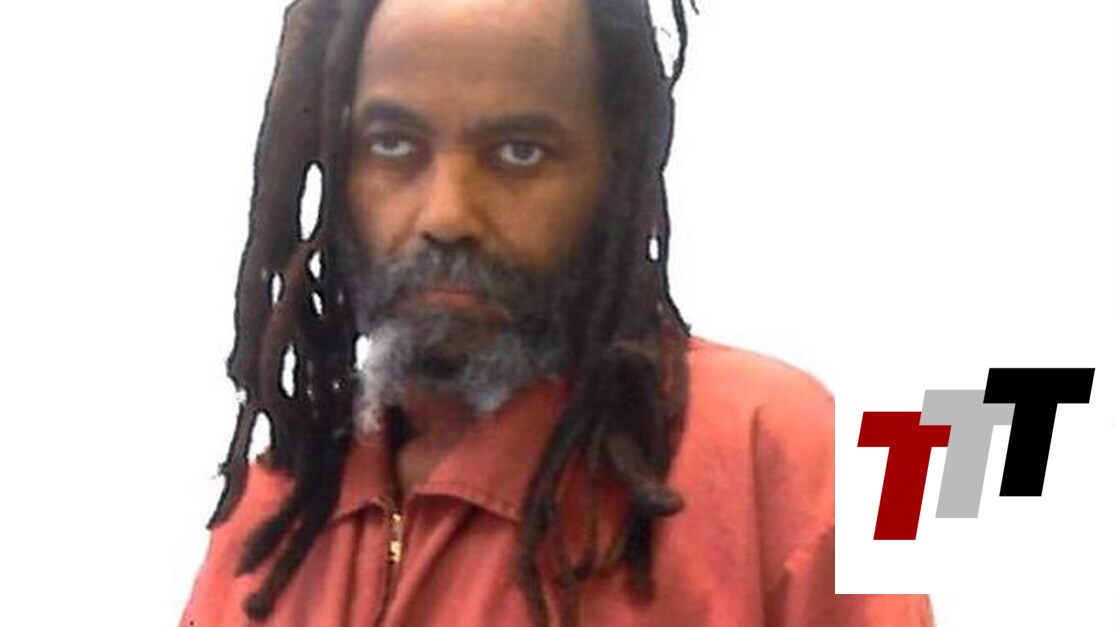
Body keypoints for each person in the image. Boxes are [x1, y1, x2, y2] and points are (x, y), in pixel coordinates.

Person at [180, 0, 935, 625]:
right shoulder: (269, 515)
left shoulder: (786, 451)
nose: (447, 214)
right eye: (393, 144)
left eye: (519, 152)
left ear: (614, 168)